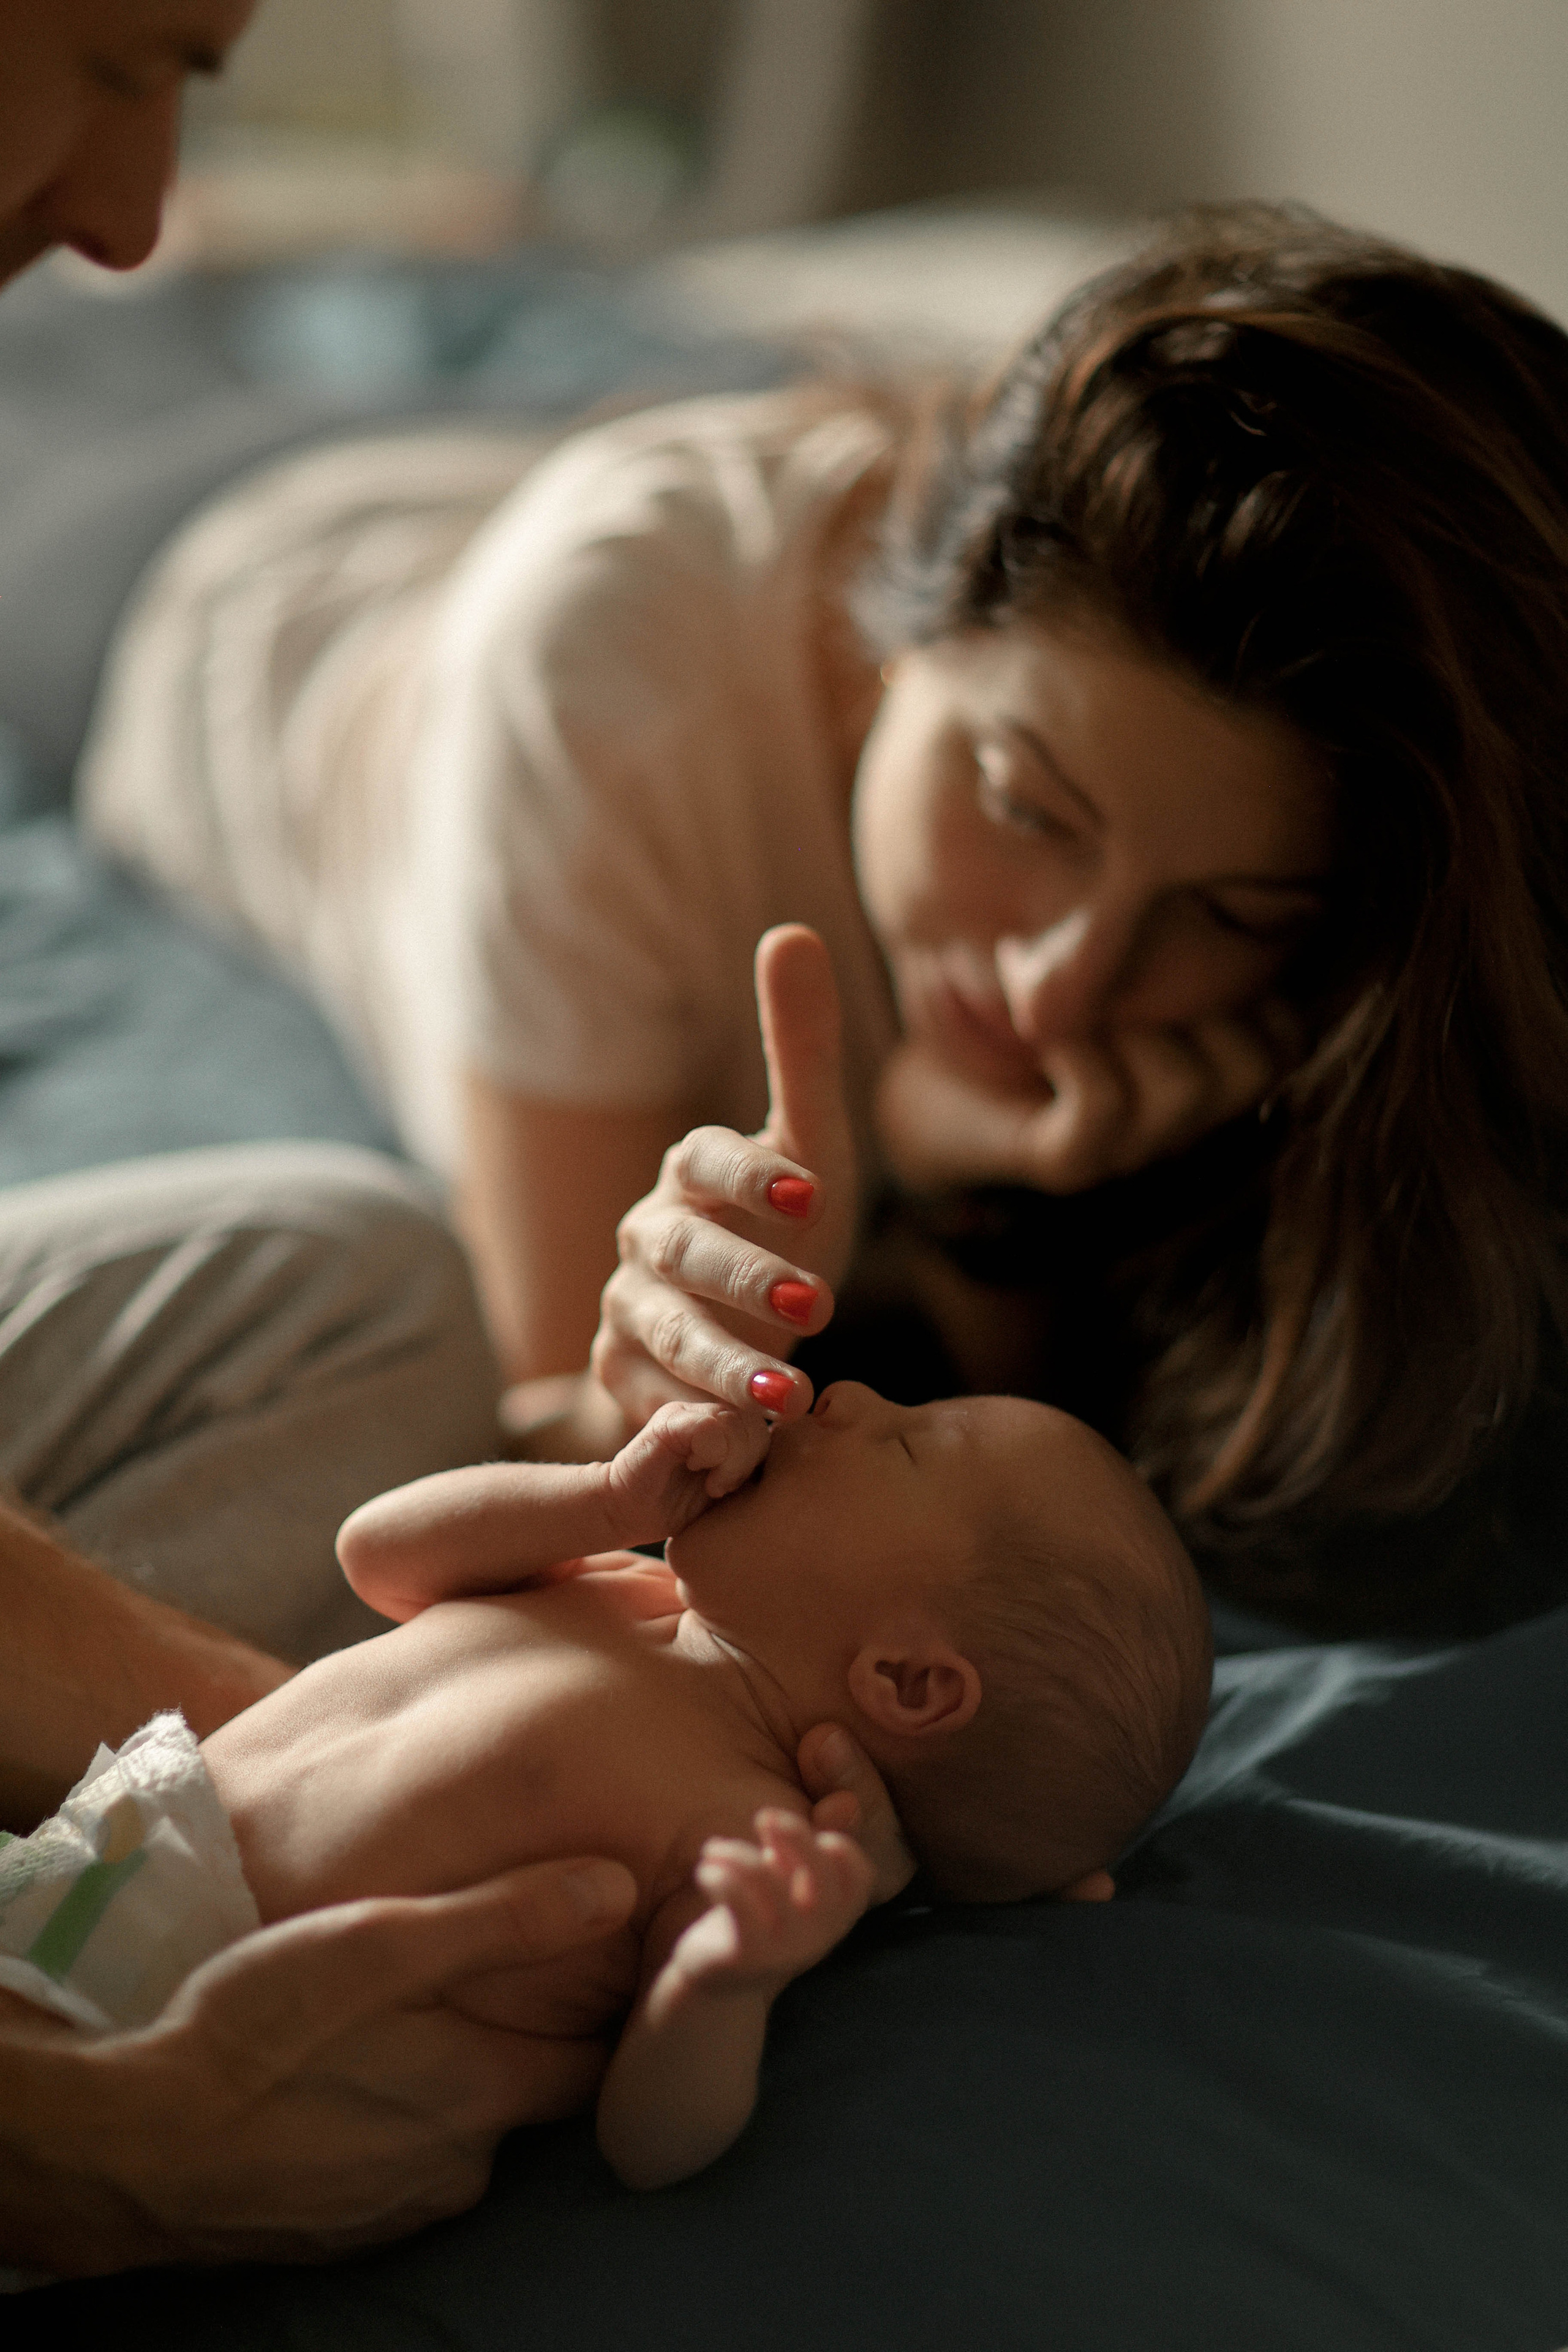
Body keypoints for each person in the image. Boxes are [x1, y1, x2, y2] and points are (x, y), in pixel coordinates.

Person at [81, 201, 1568, 1637]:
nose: (1066, 985)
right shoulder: (600, 689)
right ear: (904, 631)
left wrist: (965, 1196)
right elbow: (572, 1450)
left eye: (1231, 913)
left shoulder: (1335, 930)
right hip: (247, 608)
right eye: (1024, 809)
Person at [0, 0, 900, 2282]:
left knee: (341, 1277)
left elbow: (423, 1548)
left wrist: (371, 1762)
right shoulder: (611, 660)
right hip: (226, 602)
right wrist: (77, 2155)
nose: (127, 218)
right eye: (112, 52)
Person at [2, 1381, 1210, 2192]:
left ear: (903, 1678)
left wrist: (721, 1983)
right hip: (76, 1855)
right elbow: (377, 1553)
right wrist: (605, 1496)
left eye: (902, 1441)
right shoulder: (625, 1587)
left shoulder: (744, 1824)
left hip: (177, 2024)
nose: (846, 1395)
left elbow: (653, 2143)